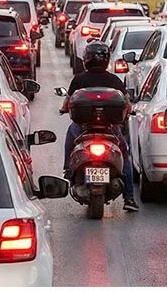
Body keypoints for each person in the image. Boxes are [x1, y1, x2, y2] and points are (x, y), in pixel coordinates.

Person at [60, 42, 138, 211]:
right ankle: (129, 198)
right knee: (125, 154)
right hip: (110, 129)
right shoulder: (114, 79)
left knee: (69, 137)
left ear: (86, 58)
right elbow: (128, 104)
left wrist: (63, 109)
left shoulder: (79, 79)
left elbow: (67, 102)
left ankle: (67, 168)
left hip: (83, 129)